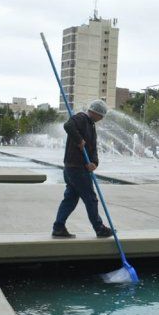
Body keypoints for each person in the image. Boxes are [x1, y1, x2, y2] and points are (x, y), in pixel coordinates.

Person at [51, 100, 113, 239]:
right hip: (77, 168)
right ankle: (99, 228)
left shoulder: (91, 125)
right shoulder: (81, 118)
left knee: (70, 199)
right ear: (95, 112)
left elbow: (93, 149)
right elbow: (68, 125)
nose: (102, 118)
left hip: (73, 168)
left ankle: (58, 227)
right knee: (91, 199)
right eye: (101, 115)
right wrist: (79, 140)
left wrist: (94, 163)